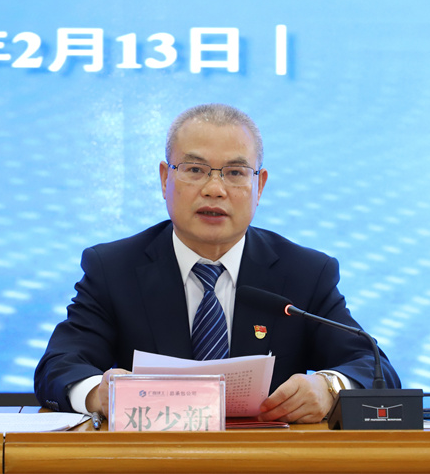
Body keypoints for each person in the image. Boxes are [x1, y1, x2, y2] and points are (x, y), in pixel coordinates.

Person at [34, 103, 400, 423]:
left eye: (235, 173)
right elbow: (59, 366)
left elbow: (375, 368)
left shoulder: (305, 273)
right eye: (195, 170)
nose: (214, 189)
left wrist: (329, 388)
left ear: (260, 186)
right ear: (165, 178)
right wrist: (98, 394)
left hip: (269, 462)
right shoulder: (113, 269)